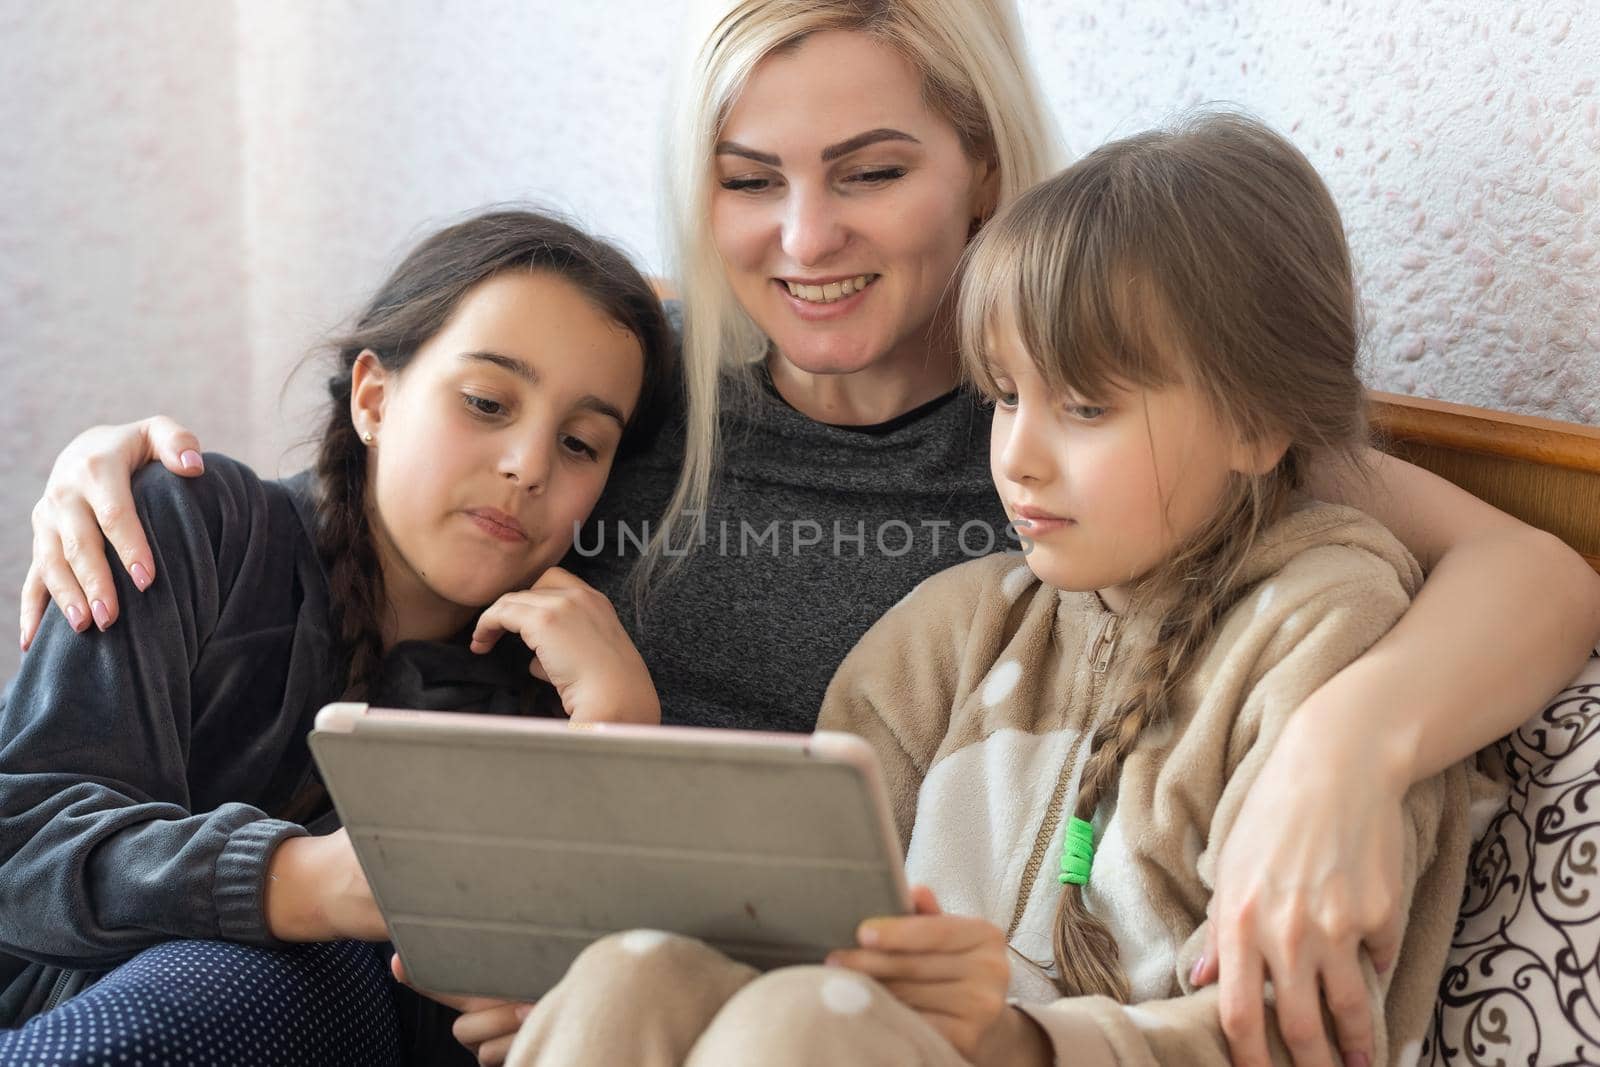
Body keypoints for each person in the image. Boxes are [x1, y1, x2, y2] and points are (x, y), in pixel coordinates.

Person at [17, 3, 1600, 1065]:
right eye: (747, 178)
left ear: (978, 161)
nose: (804, 238)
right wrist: (143, 469)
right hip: (528, 967)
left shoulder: (1098, 429)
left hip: (862, 1017)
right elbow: (414, 478)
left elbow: (1533, 563)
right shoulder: (640, 380)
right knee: (198, 1003)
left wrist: (1348, 747)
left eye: (872, 171)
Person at [499, 111, 1487, 1067]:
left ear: (1257, 423)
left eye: (1086, 405)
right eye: (1005, 395)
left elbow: (1292, 1032)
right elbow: (800, 919)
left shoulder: (1329, 634)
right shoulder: (953, 628)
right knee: (635, 972)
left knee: (806, 1022)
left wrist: (1014, 1038)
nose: (1017, 457)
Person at [0, 209, 676, 1065]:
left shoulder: (547, 697)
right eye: (486, 402)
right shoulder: (189, 526)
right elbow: (19, 842)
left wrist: (619, 741)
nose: (528, 465)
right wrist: (307, 882)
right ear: (374, 397)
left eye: (580, 442)